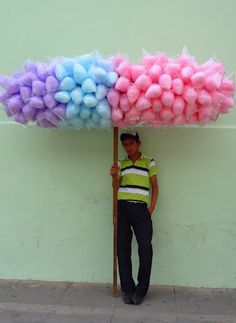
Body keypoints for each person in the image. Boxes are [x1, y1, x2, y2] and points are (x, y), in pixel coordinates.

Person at [109, 131, 159, 305]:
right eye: (125, 144)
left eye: (131, 143)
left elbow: (155, 186)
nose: (127, 147)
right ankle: (127, 289)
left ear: (139, 143)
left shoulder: (149, 162)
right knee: (122, 248)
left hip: (141, 210)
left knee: (145, 248)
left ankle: (141, 290)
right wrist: (114, 176)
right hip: (122, 207)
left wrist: (151, 207)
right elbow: (115, 188)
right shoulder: (121, 162)